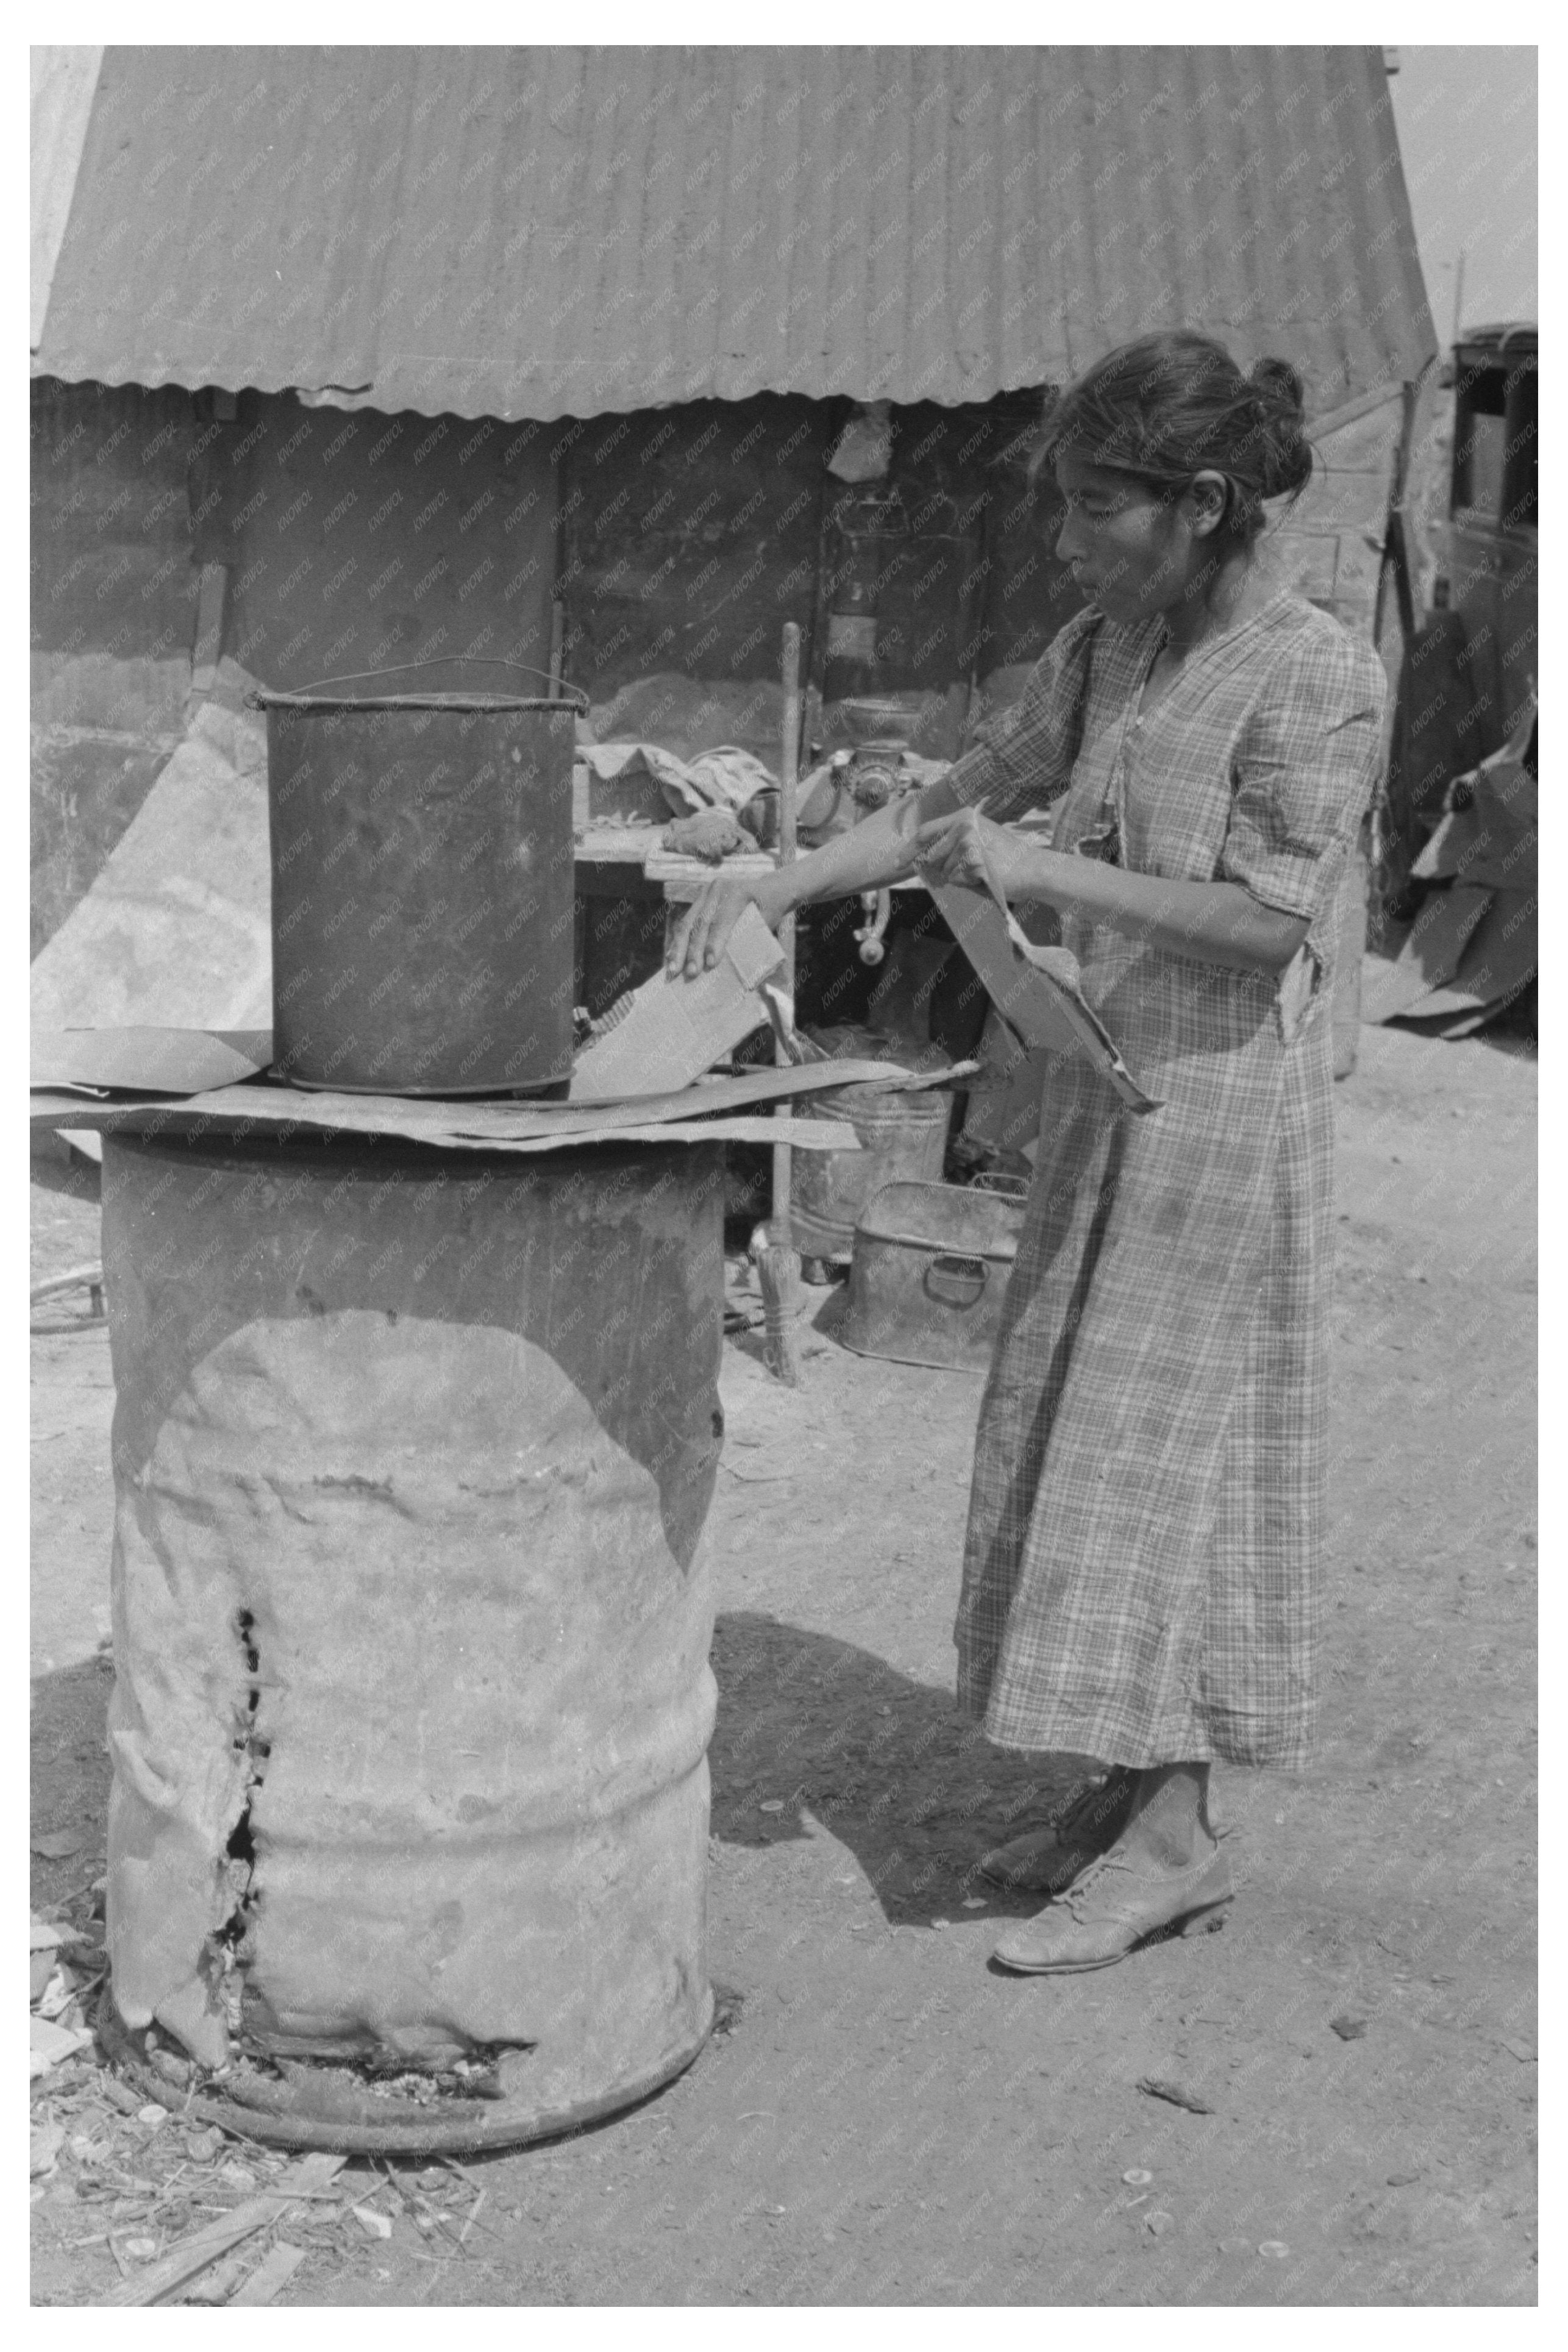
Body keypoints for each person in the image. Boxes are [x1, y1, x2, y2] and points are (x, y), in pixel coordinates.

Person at [669, 332, 1386, 1973]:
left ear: (1200, 504)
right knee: (1076, 1442)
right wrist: (777, 890)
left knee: (1165, 1464)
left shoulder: (1310, 673)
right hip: (1101, 1090)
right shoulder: (1107, 646)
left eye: (1088, 509)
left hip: (1217, 1126)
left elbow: (1268, 925)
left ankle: (1175, 1837)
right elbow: (959, 804)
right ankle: (1124, 1790)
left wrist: (1060, 878)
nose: (1062, 543)